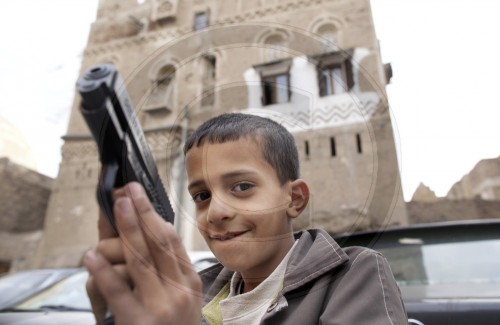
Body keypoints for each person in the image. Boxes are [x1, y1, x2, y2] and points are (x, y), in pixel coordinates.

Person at [84, 113, 408, 324]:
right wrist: (115, 313)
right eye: (201, 196)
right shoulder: (195, 289)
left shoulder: (353, 276)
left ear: (293, 199)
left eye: (242, 187)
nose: (215, 212)